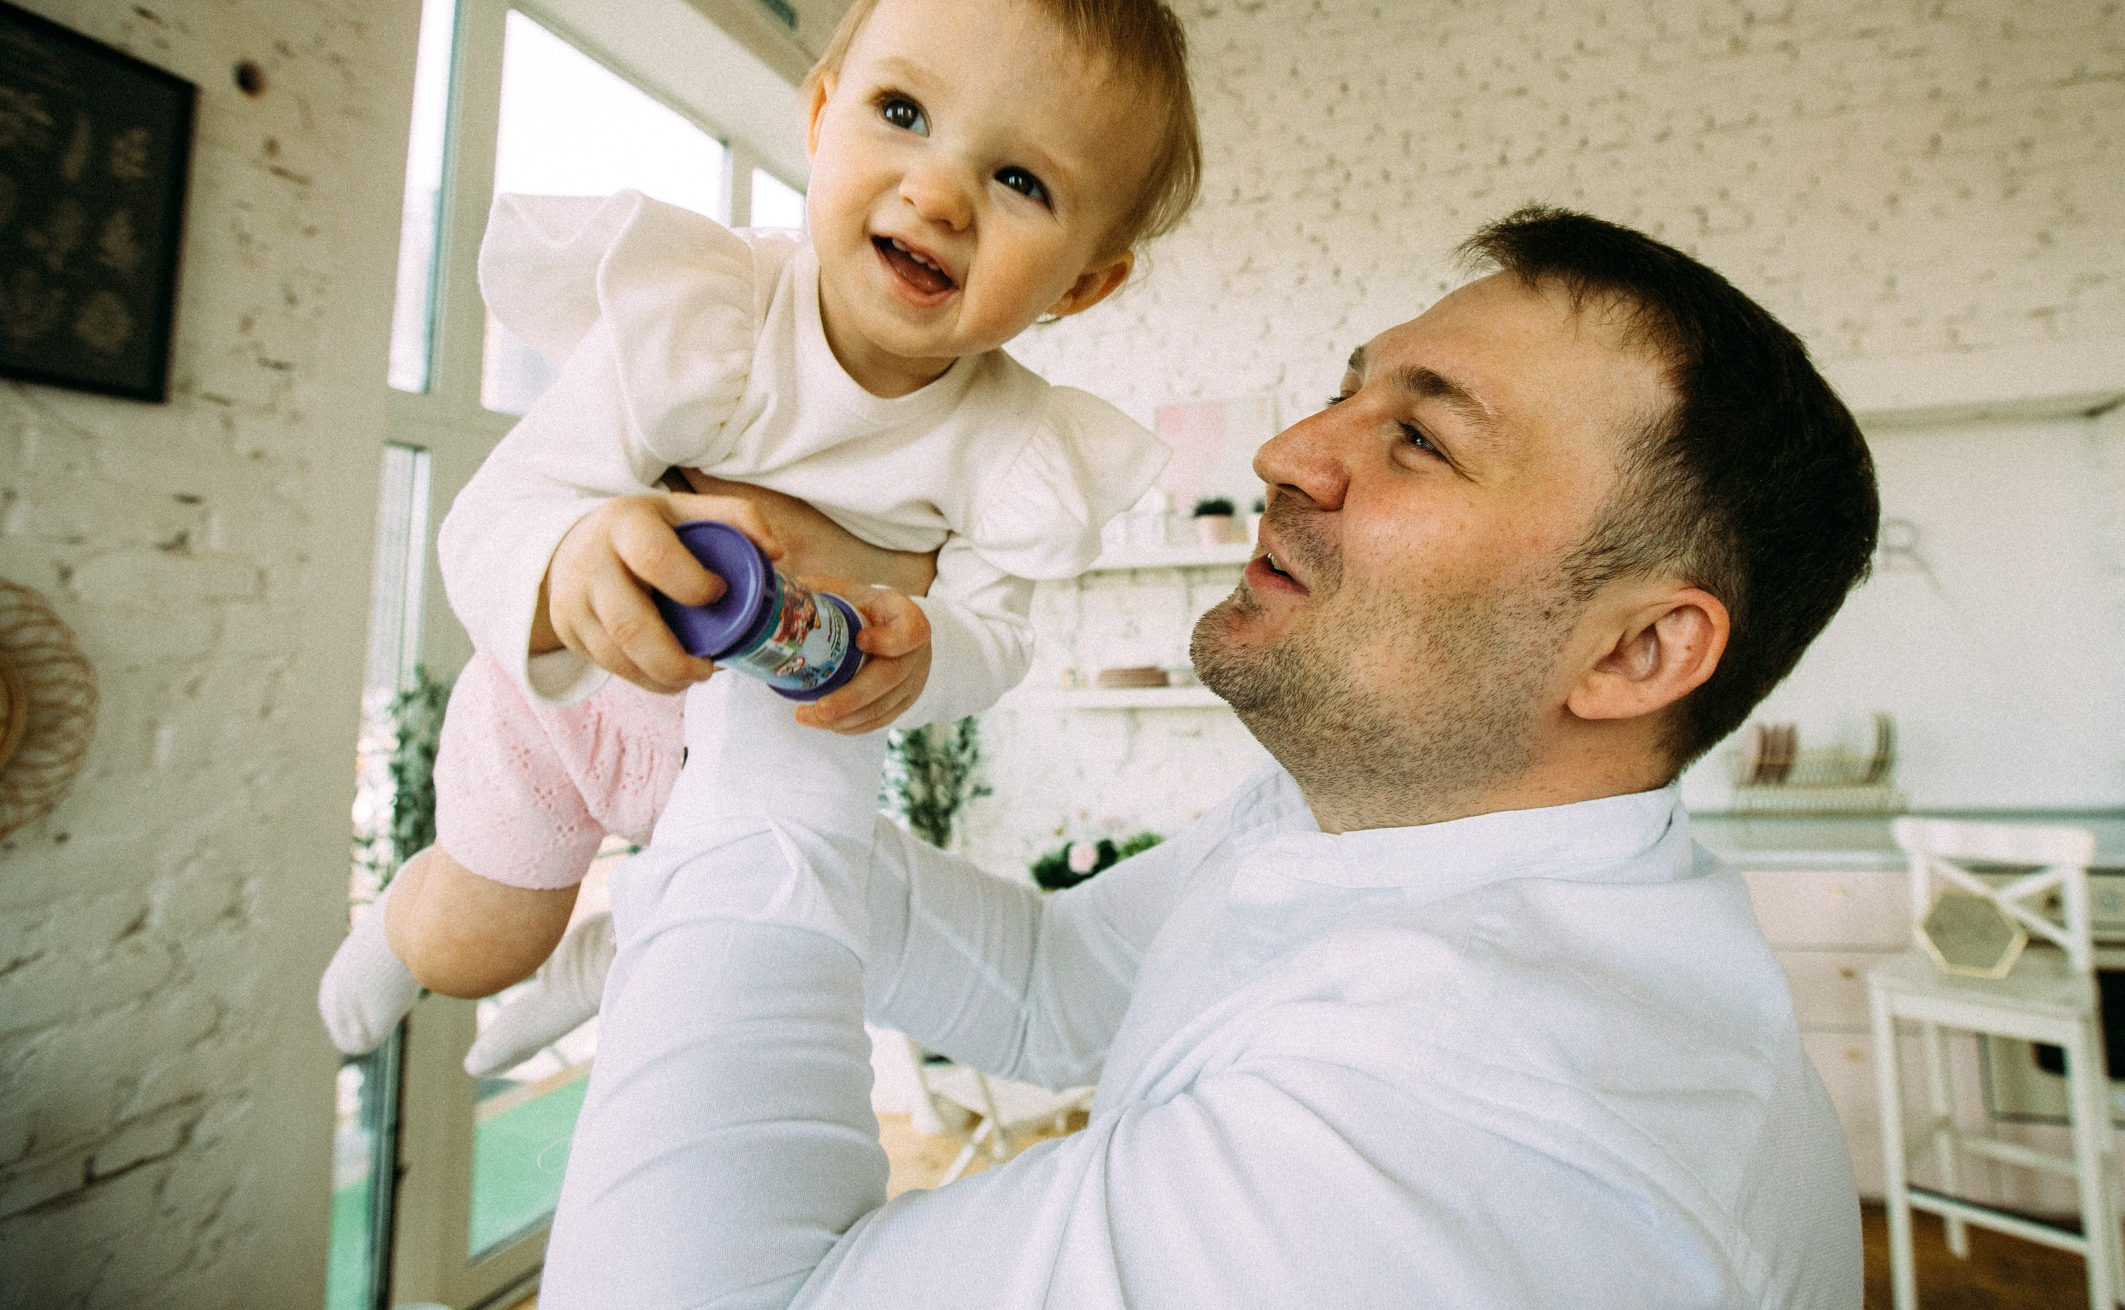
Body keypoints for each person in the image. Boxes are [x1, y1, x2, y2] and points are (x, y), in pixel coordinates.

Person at [531, 205, 1882, 1308]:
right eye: (1347, 395)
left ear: (1636, 653)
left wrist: (786, 660)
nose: (1288, 453)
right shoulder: (1372, 822)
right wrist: (695, 790)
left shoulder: (1473, 1129)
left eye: (1420, 438)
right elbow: (1053, 987)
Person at [316, 0, 1202, 1058]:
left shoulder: (1015, 449)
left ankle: (625, 936)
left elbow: (997, 633)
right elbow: (499, 508)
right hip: (575, 702)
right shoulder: (713, 316)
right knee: (474, 949)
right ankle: (408, 930)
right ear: (824, 112)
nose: (938, 192)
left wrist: (929, 647)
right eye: (902, 113)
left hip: (783, 750)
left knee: (732, 945)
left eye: (1020, 178)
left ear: (1083, 282)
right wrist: (577, 552)